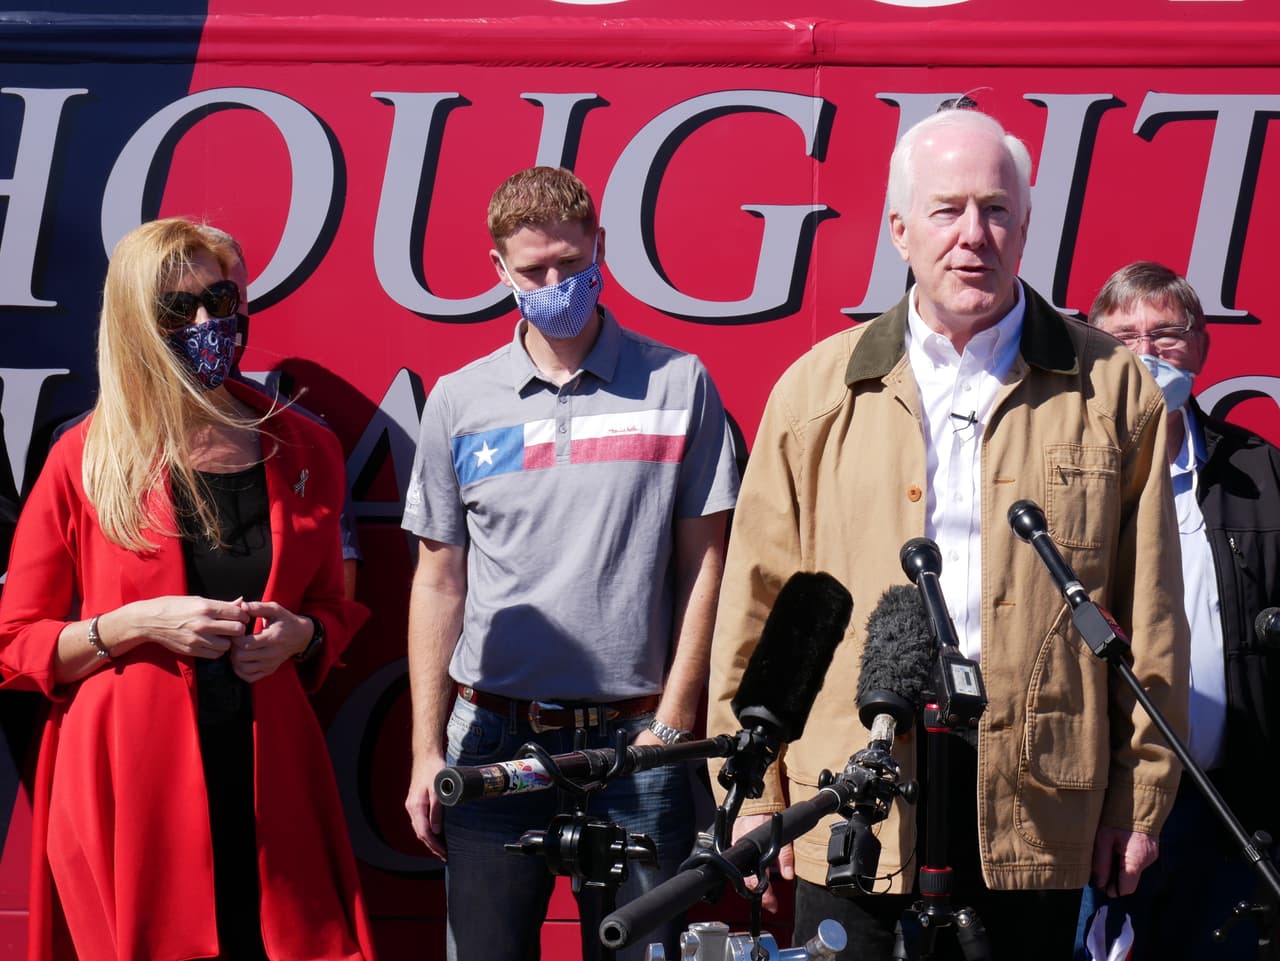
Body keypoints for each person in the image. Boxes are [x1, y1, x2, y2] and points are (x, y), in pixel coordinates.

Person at [706, 108, 1190, 961]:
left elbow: (1148, 619)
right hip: (855, 793)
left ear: (1027, 224)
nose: (975, 234)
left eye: (997, 209)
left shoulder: (1114, 392)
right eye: (947, 209)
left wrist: (1136, 801)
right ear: (899, 229)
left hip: (1038, 803)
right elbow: (758, 607)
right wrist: (751, 792)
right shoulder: (817, 392)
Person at [0, 218, 376, 961]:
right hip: (131, 785)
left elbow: (335, 605)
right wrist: (136, 622)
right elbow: (17, 642)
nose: (208, 323)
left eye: (221, 298)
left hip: (272, 776)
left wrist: (305, 635)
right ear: (138, 323)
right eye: (179, 310)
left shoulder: (305, 445)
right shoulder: (83, 454)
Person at [402, 165, 739, 961]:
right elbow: (439, 578)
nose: (555, 284)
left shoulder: (678, 382)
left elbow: (708, 563)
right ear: (498, 271)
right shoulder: (459, 399)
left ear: (600, 248)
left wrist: (674, 722)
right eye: (533, 271)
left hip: (637, 746)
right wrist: (426, 749)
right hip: (491, 741)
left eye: (569, 263)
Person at [1074, 262, 1280, 960]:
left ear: (1201, 348)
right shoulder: (1061, 475)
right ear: (1091, 346)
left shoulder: (1260, 475)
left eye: (1166, 333)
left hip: (1228, 812)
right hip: (1089, 809)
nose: (1146, 351)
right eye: (1123, 334)